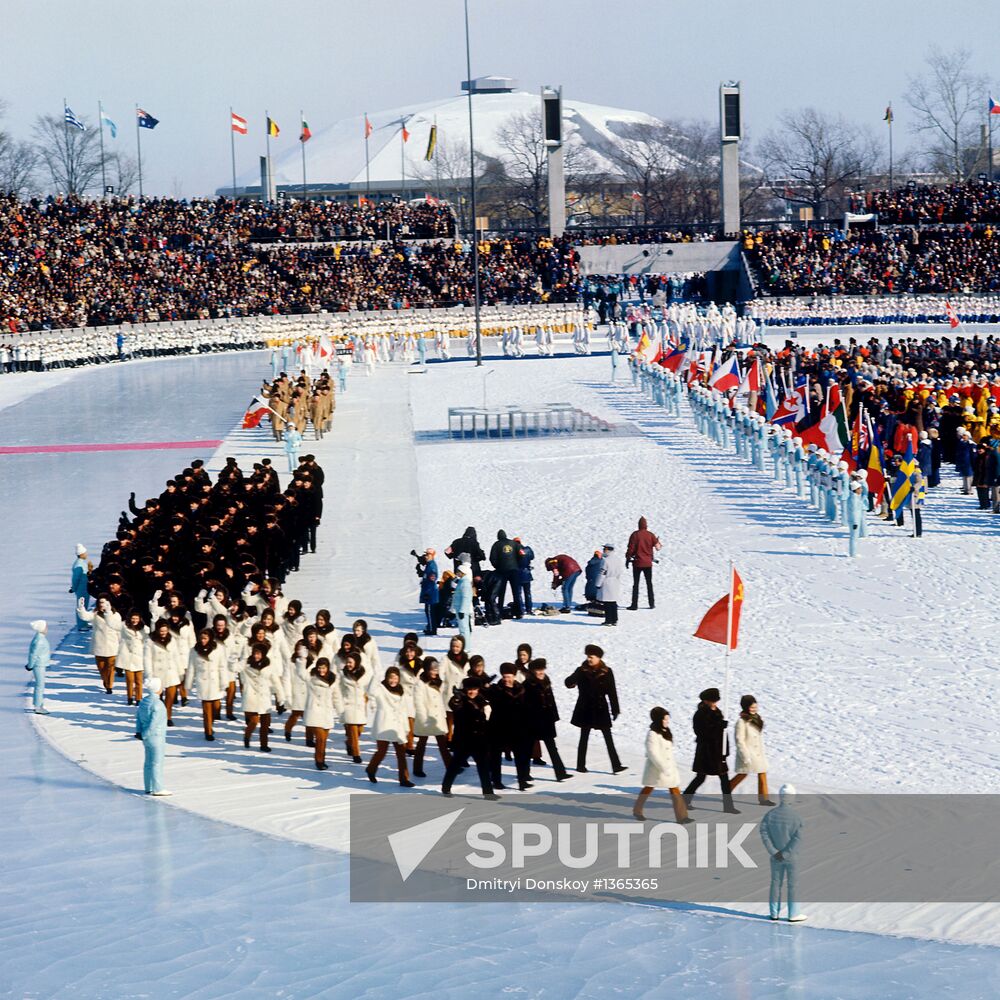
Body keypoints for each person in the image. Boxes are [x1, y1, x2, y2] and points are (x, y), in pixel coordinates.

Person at [565, 644, 625, 774]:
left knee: (608, 738)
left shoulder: (607, 671)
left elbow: (612, 691)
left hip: (600, 708)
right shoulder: (581, 670)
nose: (589, 659)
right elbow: (569, 683)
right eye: (588, 657)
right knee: (584, 738)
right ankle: (580, 765)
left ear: (598, 658)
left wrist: (615, 709)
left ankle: (616, 765)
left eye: (591, 657)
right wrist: (572, 679)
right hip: (585, 707)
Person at [682, 687, 740, 814]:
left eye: (715, 701)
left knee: (724, 779)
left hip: (718, 752)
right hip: (706, 752)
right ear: (706, 701)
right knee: (700, 777)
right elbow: (702, 732)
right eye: (712, 701)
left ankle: (728, 806)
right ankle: (685, 799)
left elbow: (723, 735)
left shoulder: (717, 711)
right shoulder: (700, 714)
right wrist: (719, 726)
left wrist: (726, 750)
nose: (715, 704)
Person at [441, 676, 499, 799]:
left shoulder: (481, 700)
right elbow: (453, 705)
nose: (472, 692)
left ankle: (488, 792)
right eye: (469, 689)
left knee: (483, 767)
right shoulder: (460, 699)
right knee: (454, 766)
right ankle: (446, 788)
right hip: (464, 741)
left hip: (479, 741)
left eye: (475, 689)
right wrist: (456, 697)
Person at [633, 707, 691, 823]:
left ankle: (682, 817)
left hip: (669, 767)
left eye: (667, 720)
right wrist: (663, 766)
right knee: (648, 788)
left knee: (675, 789)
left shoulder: (665, 731)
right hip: (656, 768)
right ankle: (637, 811)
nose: (667, 722)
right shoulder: (652, 734)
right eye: (665, 720)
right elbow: (652, 753)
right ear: (658, 720)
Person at [759, 784, 807, 922]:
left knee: (775, 883)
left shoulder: (770, 815)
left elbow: (764, 833)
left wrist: (773, 851)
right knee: (793, 885)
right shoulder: (796, 817)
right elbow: (797, 838)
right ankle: (794, 914)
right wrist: (786, 853)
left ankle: (774, 913)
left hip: (775, 857)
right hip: (792, 857)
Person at [523, 658, 571, 781]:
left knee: (552, 747)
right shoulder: (528, 685)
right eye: (538, 670)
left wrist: (554, 716)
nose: (540, 672)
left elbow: (551, 700)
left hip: (547, 721)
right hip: (533, 722)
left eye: (542, 669)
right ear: (533, 671)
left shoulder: (546, 681)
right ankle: (524, 774)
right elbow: (525, 705)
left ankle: (560, 773)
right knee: (528, 749)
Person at [366, 667, 415, 787]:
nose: (393, 680)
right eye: (390, 677)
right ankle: (371, 769)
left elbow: (404, 711)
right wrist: (375, 675)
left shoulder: (400, 691)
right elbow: (371, 691)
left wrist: (406, 728)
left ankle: (404, 779)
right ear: (386, 678)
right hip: (384, 725)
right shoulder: (381, 690)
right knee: (381, 752)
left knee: (401, 753)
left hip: (397, 726)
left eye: (395, 677)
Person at [489, 663, 532, 790]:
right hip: (499, 726)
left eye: (509, 676)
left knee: (520, 755)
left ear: (514, 676)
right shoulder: (497, 689)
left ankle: (522, 781)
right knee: (496, 756)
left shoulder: (521, 689)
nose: (507, 679)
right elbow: (491, 700)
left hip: (516, 727)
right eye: (504, 677)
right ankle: (496, 781)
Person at [240, 642, 287, 753]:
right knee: (254, 721)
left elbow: (276, 682)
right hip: (251, 697)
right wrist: (233, 660)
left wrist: (281, 696)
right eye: (255, 653)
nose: (256, 656)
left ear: (263, 654)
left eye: (259, 654)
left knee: (265, 723)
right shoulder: (246, 664)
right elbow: (234, 668)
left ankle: (264, 744)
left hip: (264, 697)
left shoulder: (269, 666)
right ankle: (247, 736)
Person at [729, 695, 775, 805]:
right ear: (746, 708)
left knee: (762, 772)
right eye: (752, 707)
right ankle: (726, 790)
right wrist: (745, 755)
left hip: (758, 753)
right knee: (743, 774)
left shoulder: (757, 719)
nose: (754, 709)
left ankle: (764, 799)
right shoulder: (741, 722)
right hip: (748, 753)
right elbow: (739, 740)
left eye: (755, 707)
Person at [184, 629, 227, 741]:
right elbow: (191, 668)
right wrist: (188, 683)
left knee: (216, 707)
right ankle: (208, 731)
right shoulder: (194, 651)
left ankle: (211, 722)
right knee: (206, 709)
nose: (203, 641)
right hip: (202, 682)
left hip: (215, 682)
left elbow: (222, 666)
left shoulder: (218, 649)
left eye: (205, 638)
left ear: (210, 638)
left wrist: (224, 681)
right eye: (201, 638)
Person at [412, 657, 452, 777]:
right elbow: (418, 702)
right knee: (421, 745)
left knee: (442, 745)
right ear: (426, 669)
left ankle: (450, 767)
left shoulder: (438, 682)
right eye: (432, 670)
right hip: (426, 718)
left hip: (437, 718)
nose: (435, 672)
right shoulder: (420, 683)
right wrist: (424, 719)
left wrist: (443, 715)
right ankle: (417, 768)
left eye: (436, 670)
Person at [78, 595, 124, 694]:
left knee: (110, 668)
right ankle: (106, 681)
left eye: (104, 602)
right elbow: (85, 617)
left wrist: (121, 643)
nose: (102, 605)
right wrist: (81, 608)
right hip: (99, 645)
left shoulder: (116, 615)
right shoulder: (95, 614)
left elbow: (118, 629)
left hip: (112, 645)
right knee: (102, 668)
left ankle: (109, 686)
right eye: (100, 603)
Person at [135, 677, 171, 796]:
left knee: (148, 762)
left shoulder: (144, 701)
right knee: (157, 763)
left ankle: (148, 786)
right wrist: (145, 734)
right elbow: (154, 724)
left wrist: (139, 732)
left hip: (146, 737)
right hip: (156, 737)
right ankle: (158, 788)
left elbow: (139, 718)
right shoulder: (158, 705)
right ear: (157, 689)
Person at [304, 658, 341, 770]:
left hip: (327, 713)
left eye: (323, 668)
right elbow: (302, 674)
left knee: (323, 739)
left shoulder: (333, 680)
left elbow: (336, 697)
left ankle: (322, 759)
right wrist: (302, 659)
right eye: (319, 668)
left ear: (328, 668)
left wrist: (340, 711)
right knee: (320, 738)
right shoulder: (311, 679)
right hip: (315, 712)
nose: (321, 670)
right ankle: (319, 761)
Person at [338, 650, 368, 763]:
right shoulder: (343, 675)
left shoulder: (363, 674)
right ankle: (356, 754)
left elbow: (367, 687)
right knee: (354, 731)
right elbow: (338, 689)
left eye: (351, 662)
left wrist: (367, 698)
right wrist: (341, 704)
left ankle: (349, 742)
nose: (348, 664)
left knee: (359, 730)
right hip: (348, 705)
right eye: (347, 662)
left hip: (360, 706)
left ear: (357, 662)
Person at [625, 516, 661, 610]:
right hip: (648, 564)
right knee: (649, 583)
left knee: (636, 584)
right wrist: (657, 541)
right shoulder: (651, 535)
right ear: (646, 525)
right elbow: (658, 547)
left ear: (639, 525)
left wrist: (628, 558)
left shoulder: (635, 535)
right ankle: (651, 603)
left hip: (637, 563)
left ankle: (634, 604)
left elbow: (631, 549)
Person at [489, 530, 523, 619]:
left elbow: (492, 558)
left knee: (501, 592)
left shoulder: (496, 545)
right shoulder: (514, 543)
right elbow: (522, 554)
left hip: (502, 571)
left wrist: (497, 566)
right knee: (516, 592)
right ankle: (519, 612)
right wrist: (517, 563)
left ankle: (499, 612)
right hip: (514, 570)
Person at [117, 611, 148, 706]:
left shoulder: (145, 629)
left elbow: (150, 637)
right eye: (133, 618)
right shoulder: (124, 627)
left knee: (139, 681)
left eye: (136, 619)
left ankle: (139, 698)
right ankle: (129, 697)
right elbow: (113, 625)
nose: (135, 620)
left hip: (139, 658)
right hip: (128, 658)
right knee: (130, 680)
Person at [595, 543, 623, 627]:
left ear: (608, 550)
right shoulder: (618, 559)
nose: (603, 550)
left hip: (607, 582)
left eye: (605, 549)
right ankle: (615, 619)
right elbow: (620, 571)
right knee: (613, 602)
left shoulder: (605, 560)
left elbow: (602, 573)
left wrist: (598, 584)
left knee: (607, 603)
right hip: (615, 581)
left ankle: (608, 620)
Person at [25, 619, 50, 714]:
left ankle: (39, 704)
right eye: (46, 626)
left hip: (41, 664)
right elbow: (33, 654)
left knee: (40, 685)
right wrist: (30, 665)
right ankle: (38, 707)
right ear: (41, 628)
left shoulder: (40, 638)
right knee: (40, 685)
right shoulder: (39, 640)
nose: (47, 628)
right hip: (39, 665)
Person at [419, 548, 440, 636]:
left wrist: (427, 593)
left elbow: (432, 580)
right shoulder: (429, 565)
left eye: (428, 554)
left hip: (430, 593)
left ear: (432, 555)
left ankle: (432, 629)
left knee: (430, 612)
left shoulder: (432, 566)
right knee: (428, 611)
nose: (426, 556)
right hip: (428, 592)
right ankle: (430, 627)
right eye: (426, 554)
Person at [70, 543, 91, 629]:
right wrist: (74, 588)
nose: (87, 554)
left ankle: (84, 622)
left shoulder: (82, 563)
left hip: (85, 588)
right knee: (81, 606)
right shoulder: (79, 565)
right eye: (85, 553)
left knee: (84, 605)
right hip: (81, 588)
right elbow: (75, 578)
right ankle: (81, 625)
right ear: (81, 554)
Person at [452, 562, 473, 640]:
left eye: (458, 571)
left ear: (462, 572)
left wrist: (462, 610)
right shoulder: (461, 581)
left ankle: (466, 647)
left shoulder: (465, 583)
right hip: (459, 608)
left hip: (462, 610)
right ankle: (463, 646)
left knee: (464, 629)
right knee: (462, 629)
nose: (457, 573)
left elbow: (466, 598)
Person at [514, 537, 535, 615]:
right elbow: (532, 557)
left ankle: (521, 609)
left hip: (517, 574)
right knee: (528, 592)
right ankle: (529, 609)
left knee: (518, 593)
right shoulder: (528, 550)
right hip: (526, 573)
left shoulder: (513, 552)